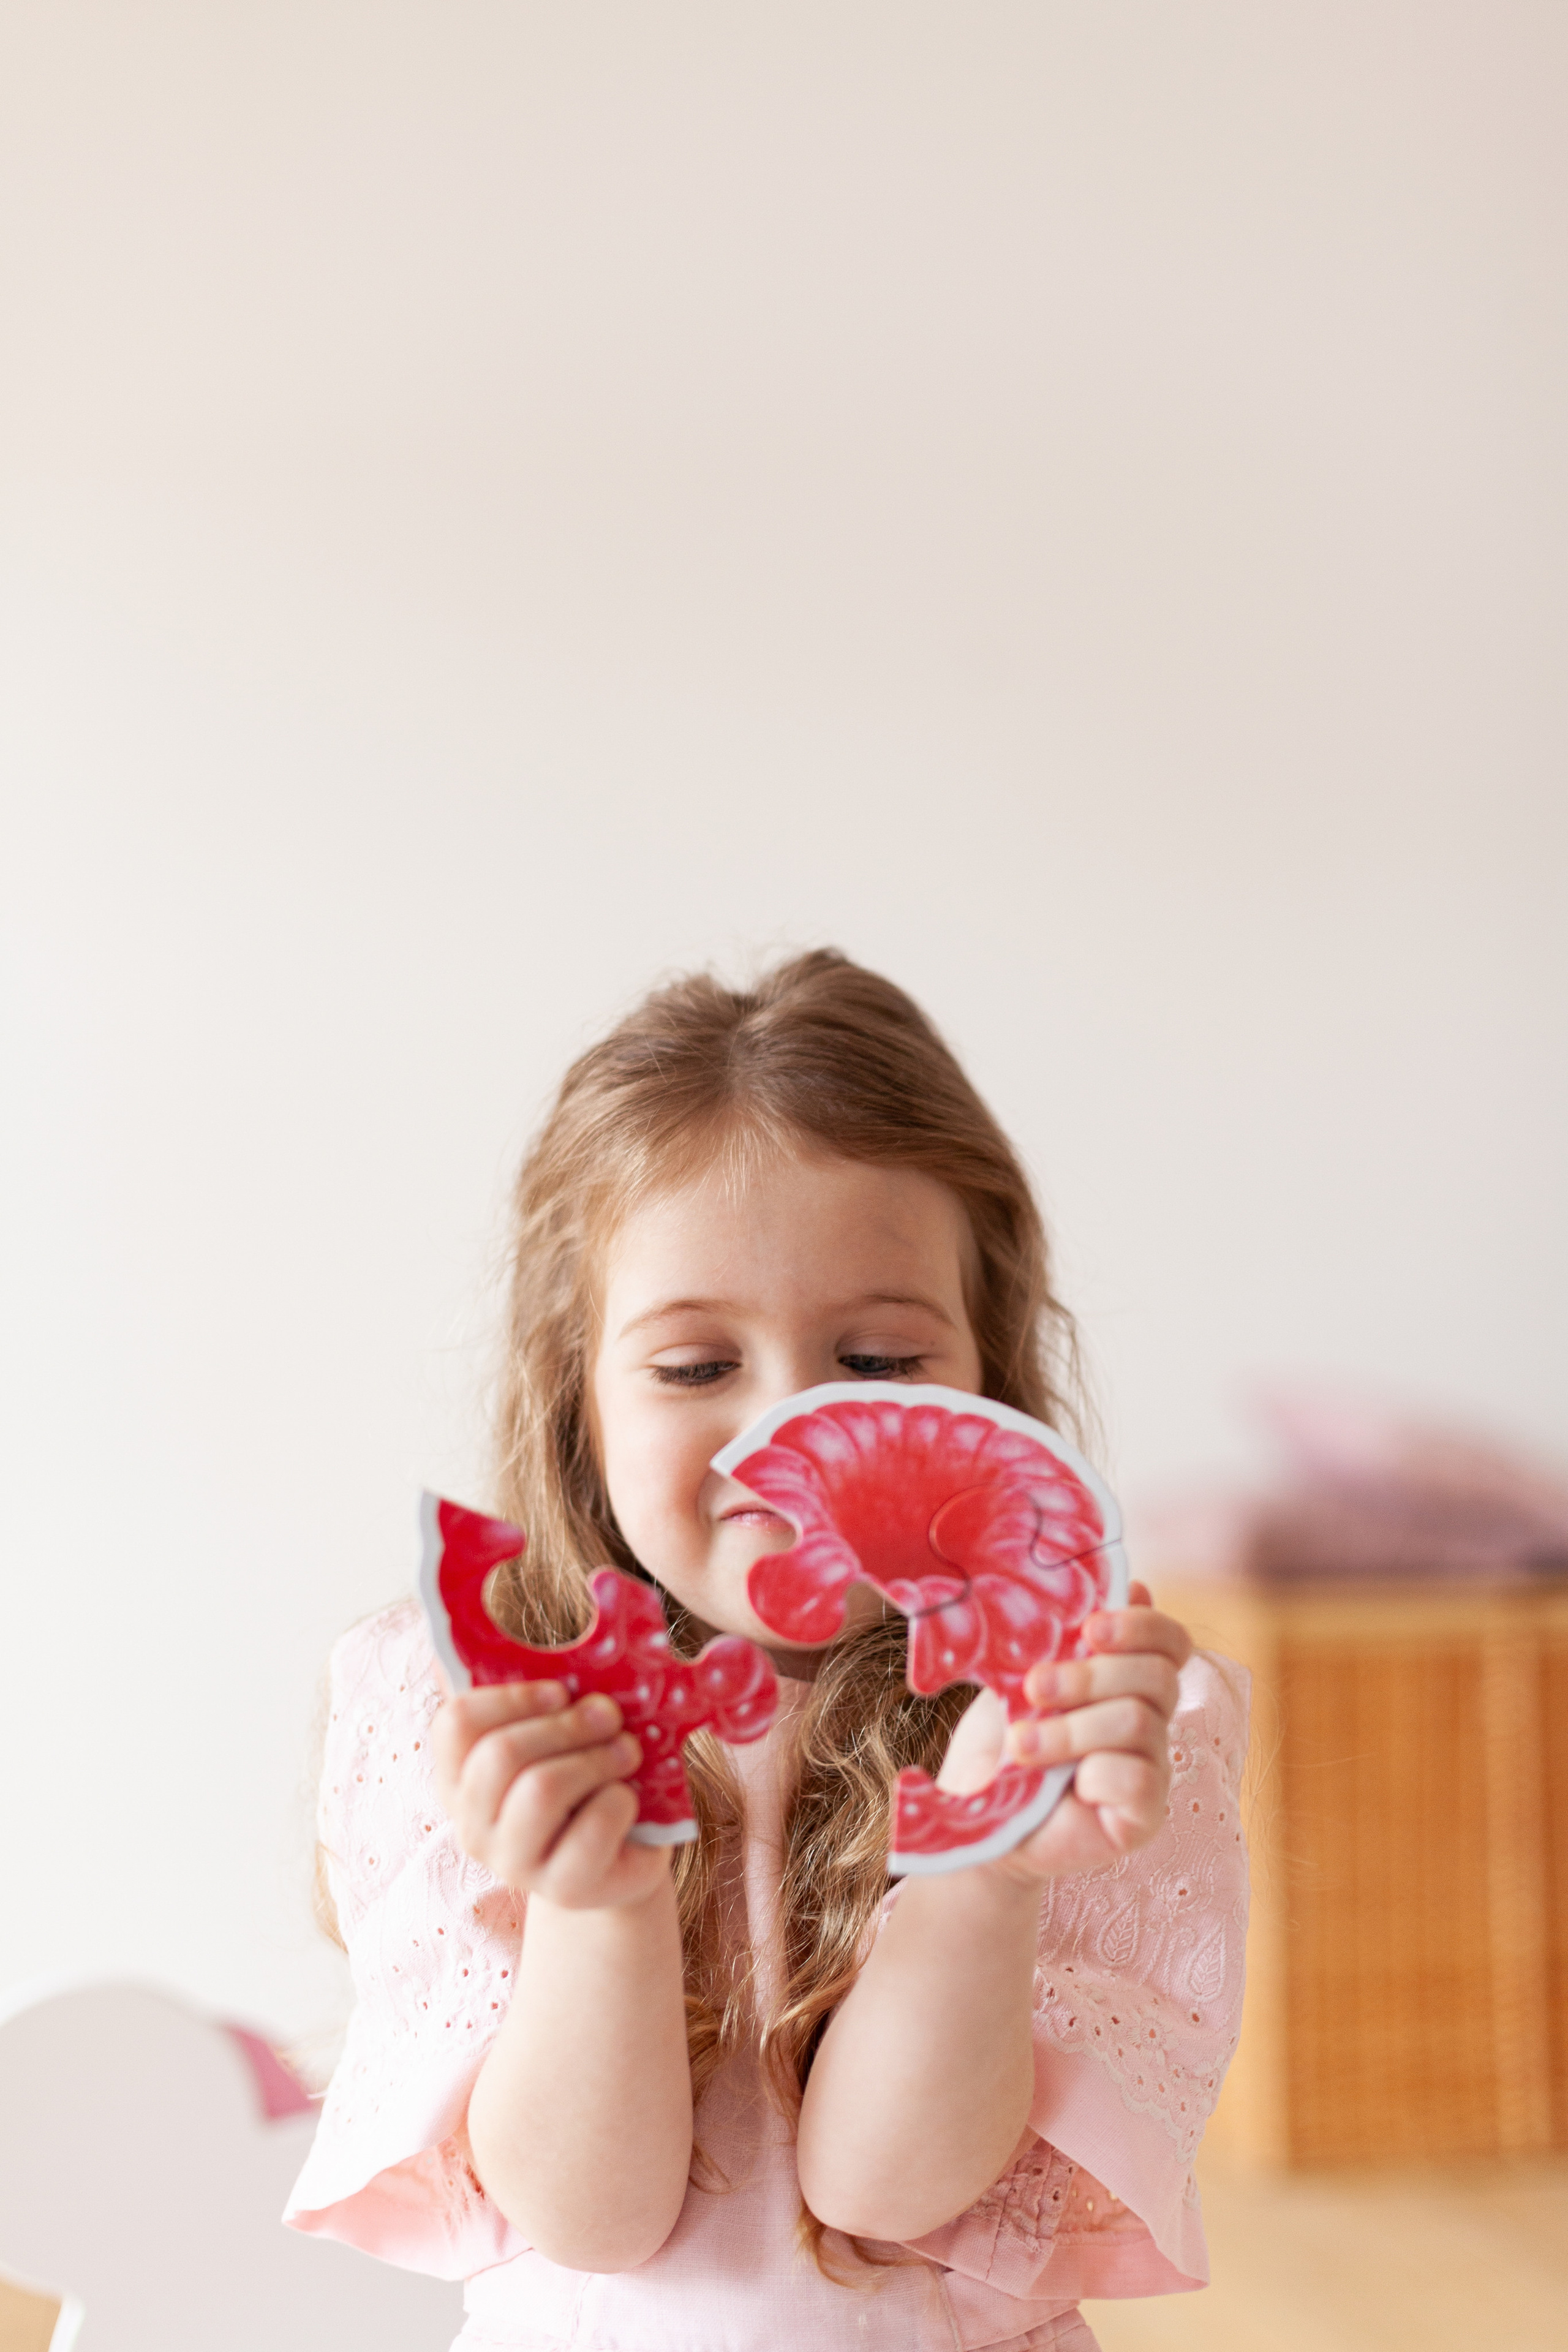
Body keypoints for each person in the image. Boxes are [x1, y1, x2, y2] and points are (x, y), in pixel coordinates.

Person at [285, 951, 1249, 2352]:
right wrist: (598, 1909)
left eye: (876, 1363)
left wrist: (984, 1871)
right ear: (579, 1398)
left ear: (989, 1374)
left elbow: (883, 2198)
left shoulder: (1081, 1716)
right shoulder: (464, 1708)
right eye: (694, 1369)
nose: (787, 1436)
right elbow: (590, 2218)